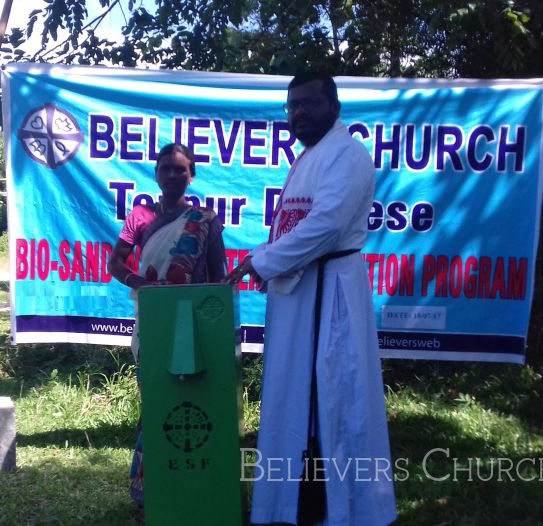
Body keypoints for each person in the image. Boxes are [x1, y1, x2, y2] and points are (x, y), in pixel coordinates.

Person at [227, 73, 397, 525]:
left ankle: (339, 509)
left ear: (334, 105)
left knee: (332, 398)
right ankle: (291, 505)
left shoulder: (347, 154)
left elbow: (325, 227)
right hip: (299, 293)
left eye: (308, 104)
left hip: (330, 293)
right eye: (291, 106)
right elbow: (291, 226)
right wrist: (266, 258)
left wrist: (262, 262)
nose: (297, 113)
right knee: (291, 396)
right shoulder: (308, 157)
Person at [108, 142, 227, 506]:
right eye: (166, 168)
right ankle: (149, 492)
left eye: (181, 169)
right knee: (156, 402)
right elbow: (116, 264)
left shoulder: (205, 220)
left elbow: (218, 278)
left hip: (196, 327)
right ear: (156, 174)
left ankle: (197, 484)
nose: (173, 175)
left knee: (197, 403)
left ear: (191, 175)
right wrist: (141, 284)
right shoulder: (140, 217)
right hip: (154, 322)